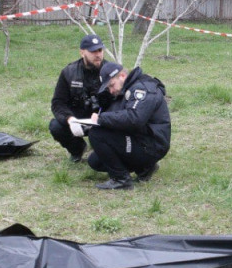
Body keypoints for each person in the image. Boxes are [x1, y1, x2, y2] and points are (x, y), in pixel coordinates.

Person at [83, 62, 171, 190]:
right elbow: (118, 117)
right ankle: (144, 168)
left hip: (152, 144)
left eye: (111, 85)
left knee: (97, 134)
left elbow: (135, 119)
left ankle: (121, 179)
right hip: (140, 138)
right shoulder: (126, 90)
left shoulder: (143, 89)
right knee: (95, 161)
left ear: (122, 76)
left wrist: (101, 119)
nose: (111, 90)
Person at [50, 34, 110, 162]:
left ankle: (103, 150)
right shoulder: (69, 72)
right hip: (78, 118)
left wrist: (104, 118)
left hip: (104, 120)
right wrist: (70, 119)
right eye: (93, 51)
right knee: (56, 126)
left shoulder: (111, 72)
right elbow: (58, 102)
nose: (98, 54)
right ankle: (77, 149)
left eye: (100, 50)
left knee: (99, 158)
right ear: (82, 52)